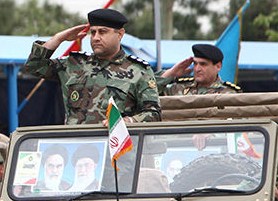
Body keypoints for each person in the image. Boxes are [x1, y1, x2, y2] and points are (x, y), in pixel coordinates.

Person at [24, 8, 161, 124]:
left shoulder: (139, 71)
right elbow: (34, 66)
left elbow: (154, 114)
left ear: (120, 34)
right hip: (76, 147)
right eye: (93, 32)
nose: (95, 37)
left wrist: (128, 121)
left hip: (114, 150)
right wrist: (59, 38)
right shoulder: (74, 64)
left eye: (102, 32)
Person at [157, 44, 241, 96]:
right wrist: (171, 73)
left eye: (203, 64)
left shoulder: (229, 94)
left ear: (218, 66)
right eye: (195, 63)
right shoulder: (178, 88)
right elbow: (148, 92)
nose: (197, 69)